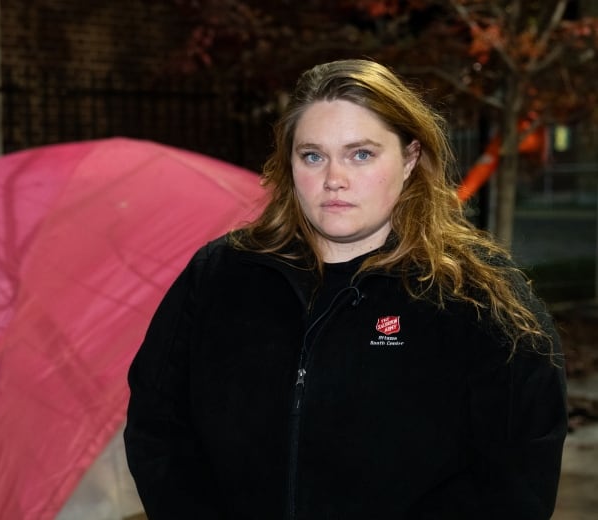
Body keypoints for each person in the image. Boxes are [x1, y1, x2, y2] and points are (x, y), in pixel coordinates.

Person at [124, 59, 568, 519]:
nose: (334, 179)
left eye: (361, 154)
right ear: (289, 164)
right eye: (313, 155)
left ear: (410, 158)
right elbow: (158, 427)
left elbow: (520, 474)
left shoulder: (476, 294)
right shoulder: (221, 275)